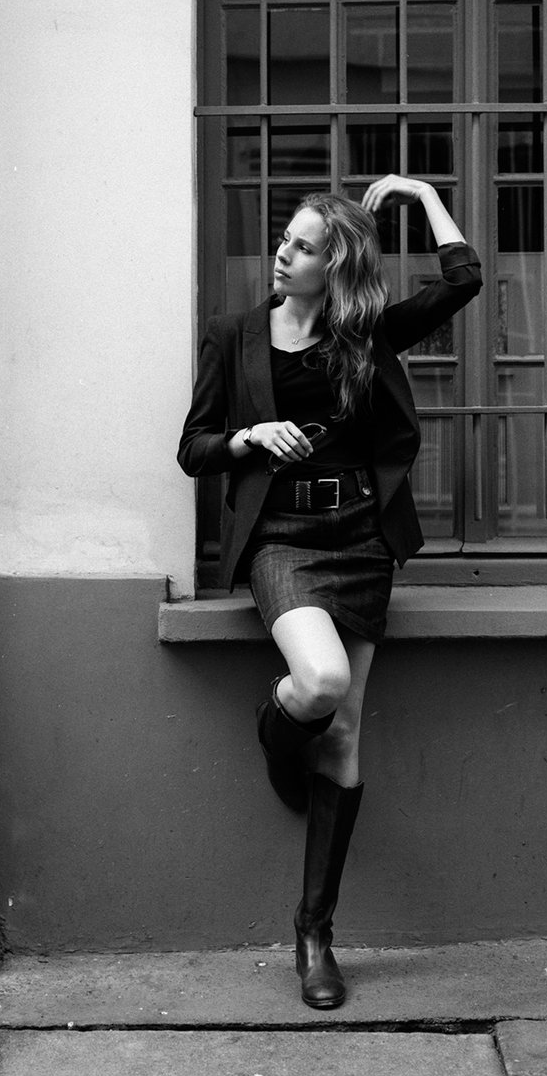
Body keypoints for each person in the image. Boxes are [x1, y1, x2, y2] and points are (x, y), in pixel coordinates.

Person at [177, 174, 482, 1009]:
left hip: (359, 541)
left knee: (344, 737)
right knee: (319, 683)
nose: (282, 253)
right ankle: (276, 732)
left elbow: (462, 280)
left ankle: (314, 933)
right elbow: (193, 447)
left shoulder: (366, 333)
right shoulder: (234, 336)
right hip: (281, 540)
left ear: (334, 265)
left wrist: (420, 194)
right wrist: (246, 436)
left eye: (303, 247)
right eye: (285, 239)